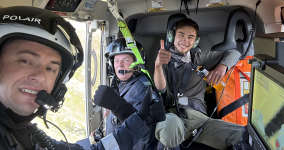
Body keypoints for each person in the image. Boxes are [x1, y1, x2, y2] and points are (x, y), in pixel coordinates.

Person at [0, 6, 165, 150]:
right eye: (25, 61)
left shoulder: (26, 134)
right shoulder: (117, 84)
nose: (39, 76)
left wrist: (129, 114)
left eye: (51, 68)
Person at [154, 13, 249, 150]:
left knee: (243, 135)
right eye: (181, 35)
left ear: (195, 41)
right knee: (170, 131)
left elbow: (235, 53)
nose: (185, 40)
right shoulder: (163, 58)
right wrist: (158, 66)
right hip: (174, 115)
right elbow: (161, 89)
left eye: (190, 37)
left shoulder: (199, 58)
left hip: (200, 120)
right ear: (172, 36)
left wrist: (221, 68)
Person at [93, 38, 165, 150]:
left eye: (126, 60)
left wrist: (117, 106)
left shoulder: (142, 89)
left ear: (136, 63)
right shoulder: (120, 84)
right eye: (116, 61)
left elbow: (145, 137)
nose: (120, 65)